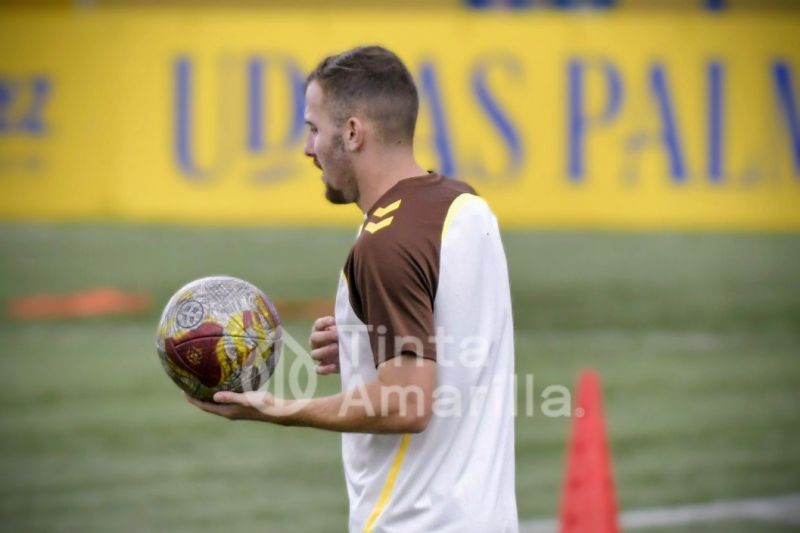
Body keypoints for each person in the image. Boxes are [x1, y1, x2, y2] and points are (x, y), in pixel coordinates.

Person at [187, 45, 518, 533]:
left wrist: (282, 410)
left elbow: (407, 403)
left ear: (353, 133)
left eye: (313, 128)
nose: (307, 148)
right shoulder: (464, 206)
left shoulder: (386, 243)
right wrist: (368, 345)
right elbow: (457, 338)